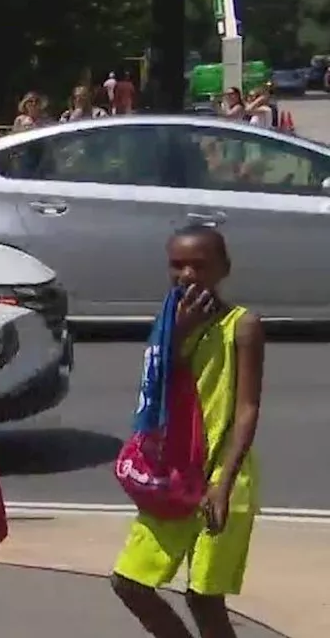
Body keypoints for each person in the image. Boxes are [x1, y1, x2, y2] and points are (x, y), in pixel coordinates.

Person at [111, 226, 263, 638]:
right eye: (178, 265)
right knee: (129, 582)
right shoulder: (168, 323)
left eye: (199, 265)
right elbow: (155, 389)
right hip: (173, 475)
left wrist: (225, 483)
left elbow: (247, 409)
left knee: (204, 598)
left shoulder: (242, 326)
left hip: (220, 476)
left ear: (223, 268)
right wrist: (177, 335)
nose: (187, 275)